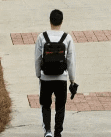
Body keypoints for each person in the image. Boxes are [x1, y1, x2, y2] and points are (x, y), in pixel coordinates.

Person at [34, 9, 77, 137]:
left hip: (45, 77)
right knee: (60, 106)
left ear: (50, 21)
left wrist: (38, 74)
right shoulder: (67, 38)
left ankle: (47, 131)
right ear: (61, 21)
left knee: (46, 105)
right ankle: (58, 132)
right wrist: (72, 79)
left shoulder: (42, 37)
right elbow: (71, 60)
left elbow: (37, 58)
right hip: (61, 78)